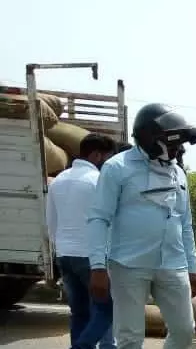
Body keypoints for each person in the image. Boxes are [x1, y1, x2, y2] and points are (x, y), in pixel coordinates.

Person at [87, 103, 196, 349]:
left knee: (184, 331)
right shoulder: (117, 168)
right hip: (128, 264)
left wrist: (193, 267)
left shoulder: (178, 174)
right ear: (151, 139)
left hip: (173, 263)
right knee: (130, 337)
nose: (178, 150)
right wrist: (97, 266)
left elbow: (185, 223)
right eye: (173, 145)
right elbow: (99, 218)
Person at [47, 133, 117, 349]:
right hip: (91, 256)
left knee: (79, 312)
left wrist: (58, 248)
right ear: (97, 155)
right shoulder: (97, 181)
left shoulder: (58, 180)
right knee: (106, 308)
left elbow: (50, 220)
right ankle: (84, 347)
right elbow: (109, 221)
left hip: (65, 254)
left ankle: (82, 344)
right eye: (108, 157)